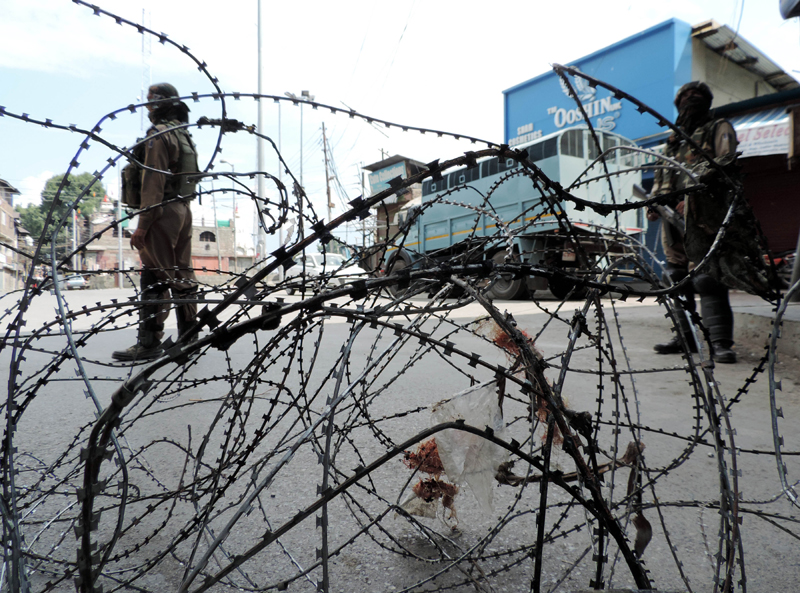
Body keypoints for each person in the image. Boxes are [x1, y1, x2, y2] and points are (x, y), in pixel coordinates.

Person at [649, 81, 738, 364]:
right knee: (676, 278)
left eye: (697, 96)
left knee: (708, 278)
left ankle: (720, 343)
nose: (691, 100)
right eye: (685, 96)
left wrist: (696, 198)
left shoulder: (717, 128)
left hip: (703, 218)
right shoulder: (671, 143)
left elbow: (726, 165)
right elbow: (659, 180)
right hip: (671, 223)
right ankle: (685, 339)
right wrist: (653, 204)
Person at [112, 83, 199, 362]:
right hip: (183, 210)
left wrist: (143, 225)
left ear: (161, 105)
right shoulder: (182, 135)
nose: (148, 108)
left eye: (151, 103)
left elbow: (153, 182)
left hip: (161, 211)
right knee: (182, 274)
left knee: (155, 274)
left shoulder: (159, 136)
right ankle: (189, 338)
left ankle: (149, 343)